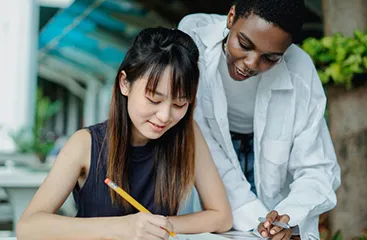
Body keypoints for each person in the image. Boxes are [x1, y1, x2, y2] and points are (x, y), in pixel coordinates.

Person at [16, 27, 232, 240]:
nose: (165, 116)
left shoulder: (187, 135)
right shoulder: (86, 143)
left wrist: (157, 226)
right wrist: (122, 228)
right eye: (154, 100)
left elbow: (222, 217)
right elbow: (28, 226)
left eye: (179, 103)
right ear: (125, 84)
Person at [178, 0, 341, 239]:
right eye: (244, 44)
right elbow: (203, 140)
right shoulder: (193, 40)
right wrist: (258, 220)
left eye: (271, 58)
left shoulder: (300, 71)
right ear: (231, 16)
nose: (251, 63)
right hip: (209, 151)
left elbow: (318, 168)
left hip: (268, 166)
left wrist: (284, 217)